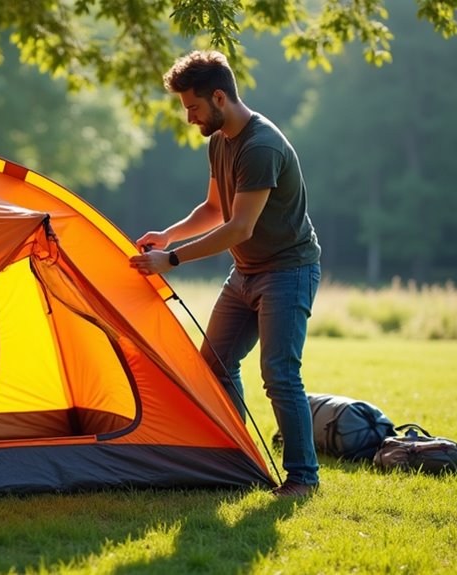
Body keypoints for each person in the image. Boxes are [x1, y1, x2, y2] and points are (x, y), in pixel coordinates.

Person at [128, 50, 322, 497]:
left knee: (278, 373)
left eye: (193, 108)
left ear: (219, 97)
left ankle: (304, 479)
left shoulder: (261, 147)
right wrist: (168, 236)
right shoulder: (219, 141)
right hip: (246, 271)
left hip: (287, 271)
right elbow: (215, 209)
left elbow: (239, 226)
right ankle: (242, 456)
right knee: (214, 364)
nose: (190, 118)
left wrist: (171, 261)